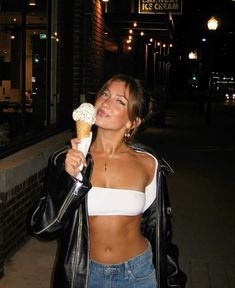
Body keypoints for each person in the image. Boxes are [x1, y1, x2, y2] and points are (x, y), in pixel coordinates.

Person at [28, 74, 186, 288]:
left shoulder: (149, 164)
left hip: (138, 273)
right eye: (104, 94)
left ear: (133, 122)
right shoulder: (67, 159)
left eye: (119, 101)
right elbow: (43, 228)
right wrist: (71, 180)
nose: (105, 102)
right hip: (85, 275)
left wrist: (173, 280)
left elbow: (160, 231)